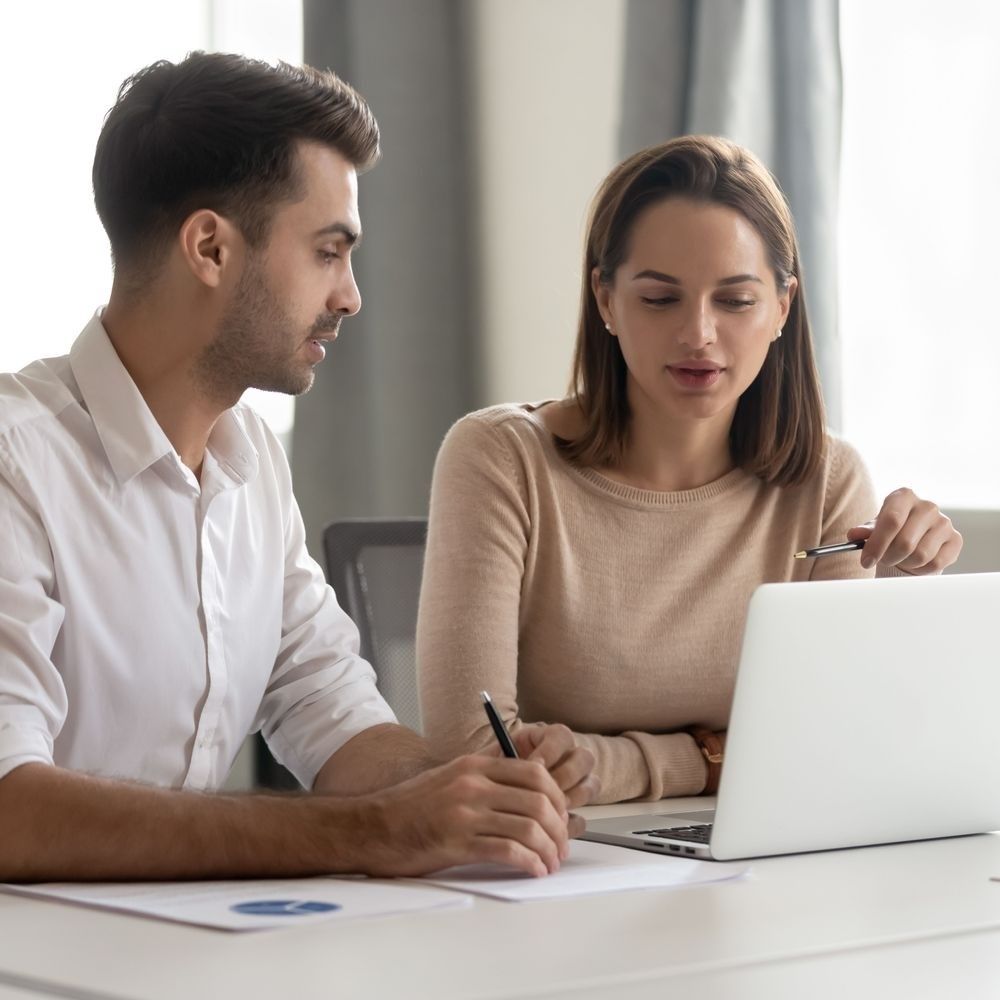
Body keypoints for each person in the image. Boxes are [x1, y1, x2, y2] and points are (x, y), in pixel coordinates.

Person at [0, 51, 597, 882]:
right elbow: (9, 811)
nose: (351, 295)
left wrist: (475, 790)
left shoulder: (250, 466)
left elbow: (333, 713)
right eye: (328, 251)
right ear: (210, 247)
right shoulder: (14, 464)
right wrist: (374, 832)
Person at [416, 135, 963, 805]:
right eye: (659, 299)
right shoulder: (501, 457)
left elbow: (827, 746)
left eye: (735, 301)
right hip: (558, 855)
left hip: (757, 855)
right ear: (606, 300)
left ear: (783, 307)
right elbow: (468, 752)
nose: (699, 334)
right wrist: (717, 756)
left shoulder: (828, 481)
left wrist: (621, 764)